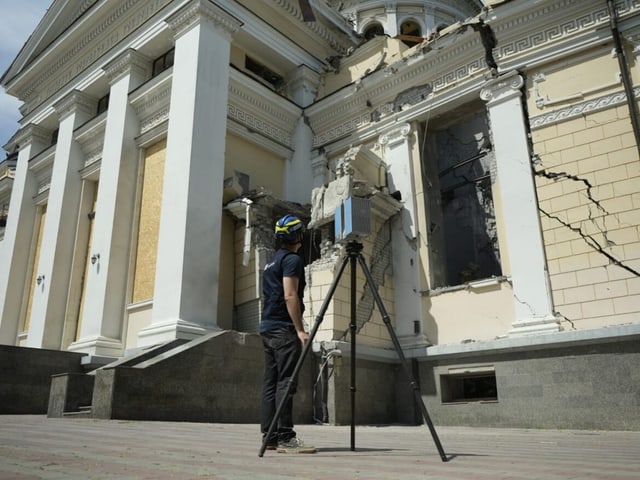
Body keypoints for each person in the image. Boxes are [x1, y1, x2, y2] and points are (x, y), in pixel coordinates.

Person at [259, 214, 317, 454]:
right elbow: (290, 295)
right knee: (286, 382)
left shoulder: (271, 262)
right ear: (297, 236)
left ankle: (269, 436)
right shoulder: (292, 260)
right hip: (283, 329)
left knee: (271, 383)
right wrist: (300, 330)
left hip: (267, 327)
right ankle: (285, 436)